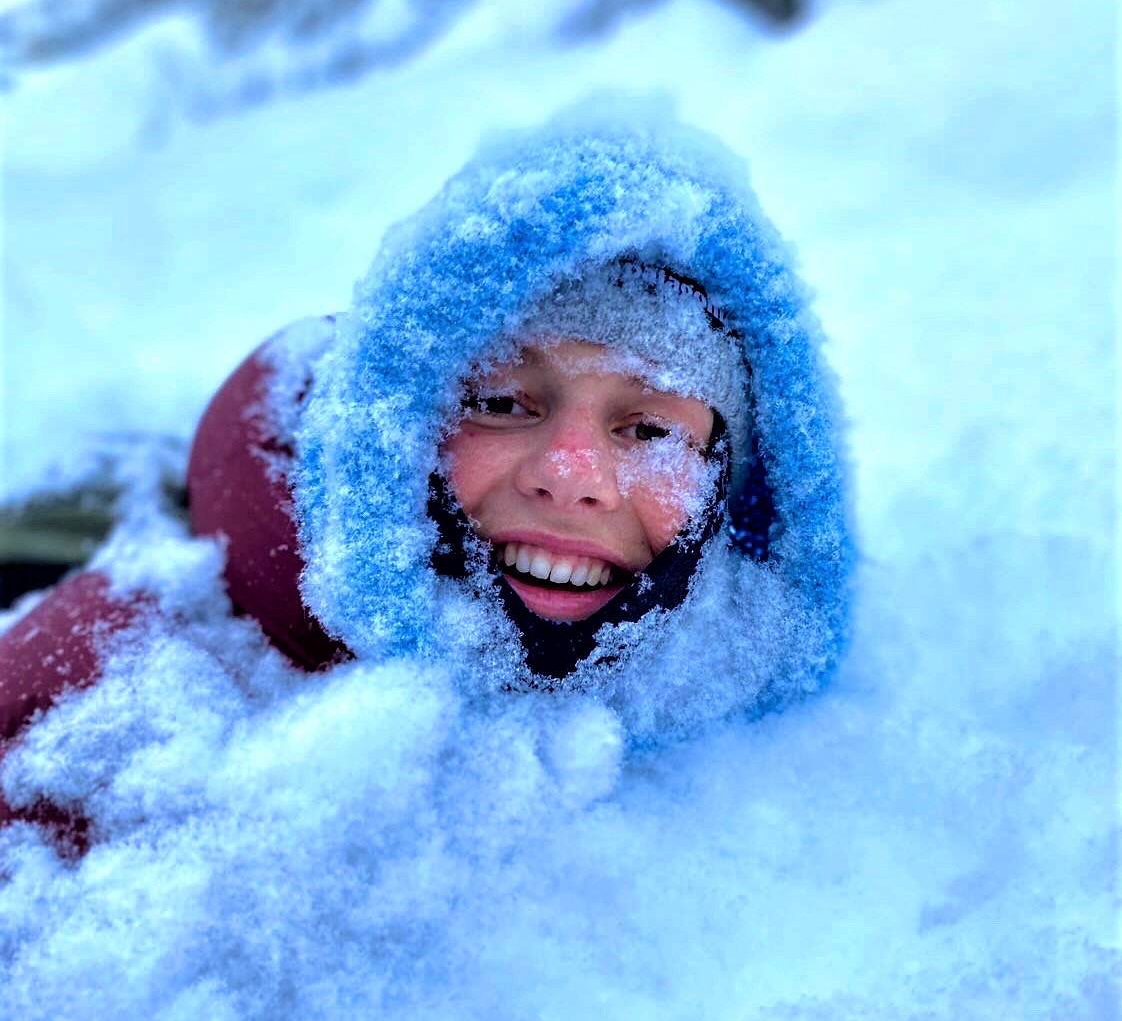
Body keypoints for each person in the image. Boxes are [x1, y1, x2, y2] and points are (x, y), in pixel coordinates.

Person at [0, 106, 852, 853]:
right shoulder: (88, 717)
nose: (571, 479)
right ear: (400, 424)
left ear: (726, 484)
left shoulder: (777, 714)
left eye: (648, 427)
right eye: (503, 402)